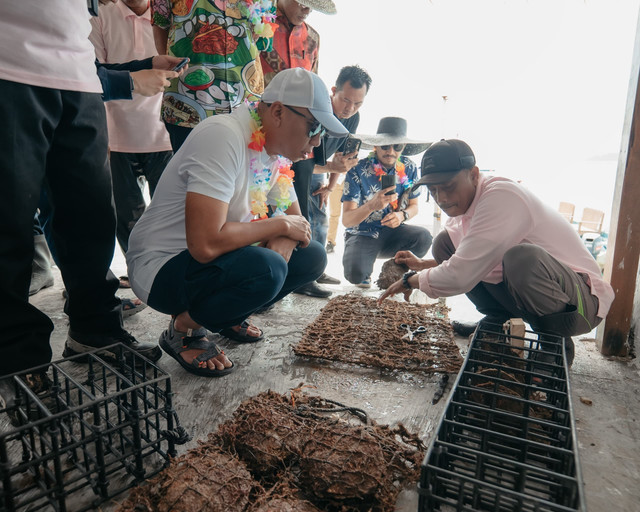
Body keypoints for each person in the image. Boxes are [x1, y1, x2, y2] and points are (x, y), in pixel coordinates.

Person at [126, 68, 348, 377]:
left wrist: (287, 229)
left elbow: (299, 222)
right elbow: (205, 244)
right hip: (162, 268)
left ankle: (226, 314)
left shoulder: (274, 153)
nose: (316, 142)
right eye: (313, 127)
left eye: (323, 133)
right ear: (279, 112)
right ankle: (185, 328)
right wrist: (281, 227)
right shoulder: (223, 137)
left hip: (209, 262)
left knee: (312, 257)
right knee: (268, 268)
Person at [0, 1, 164, 386]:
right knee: (9, 223)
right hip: (9, 66)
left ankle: (94, 330)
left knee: (91, 217)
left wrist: (123, 75)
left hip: (78, 76)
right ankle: (16, 360)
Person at [379, 139, 616, 365]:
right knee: (444, 243)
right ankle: (496, 321)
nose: (442, 198)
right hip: (544, 291)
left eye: (449, 187)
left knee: (522, 259)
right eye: (433, 190)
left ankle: (554, 346)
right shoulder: (467, 206)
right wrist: (423, 265)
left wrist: (410, 281)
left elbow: (462, 272)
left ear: (473, 174)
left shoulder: (501, 197)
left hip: (581, 303)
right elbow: (467, 255)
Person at [89, 0, 174, 256]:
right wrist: (101, 138)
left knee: (170, 216)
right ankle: (138, 272)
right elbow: (93, 77)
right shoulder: (101, 14)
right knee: (127, 219)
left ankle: (166, 273)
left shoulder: (168, 14)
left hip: (165, 135)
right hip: (117, 137)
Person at [151, 0, 276, 152]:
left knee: (243, 171)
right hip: (187, 104)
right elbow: (160, 25)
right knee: (192, 170)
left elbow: (262, 37)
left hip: (246, 99)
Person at [294, 64, 372, 297]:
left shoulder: (353, 118)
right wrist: (330, 167)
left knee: (320, 217)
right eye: (346, 100)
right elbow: (297, 160)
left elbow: (344, 155)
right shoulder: (316, 111)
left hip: (321, 167)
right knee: (301, 218)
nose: (350, 108)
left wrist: (330, 186)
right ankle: (300, 278)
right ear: (333, 91)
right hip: (296, 163)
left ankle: (316, 271)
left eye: (358, 103)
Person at [341, 117, 433, 287]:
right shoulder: (357, 170)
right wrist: (371, 206)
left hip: (394, 233)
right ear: (376, 145)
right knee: (356, 275)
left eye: (397, 146)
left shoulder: (410, 167)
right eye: (385, 145)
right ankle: (359, 257)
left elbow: (414, 207)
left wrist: (402, 215)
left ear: (403, 146)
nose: (390, 151)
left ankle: (395, 268)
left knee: (424, 237)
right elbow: (347, 220)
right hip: (363, 232)